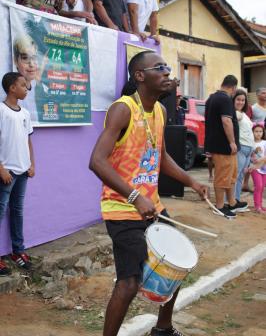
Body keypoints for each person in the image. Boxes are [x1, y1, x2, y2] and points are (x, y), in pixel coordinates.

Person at [89, 51, 208, 336]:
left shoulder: (160, 110)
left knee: (175, 264)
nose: (167, 72)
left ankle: (163, 329)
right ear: (140, 76)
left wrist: (192, 182)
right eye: (160, 68)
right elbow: (97, 161)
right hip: (121, 208)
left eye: (167, 67)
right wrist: (135, 197)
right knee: (129, 282)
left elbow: (161, 157)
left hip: (151, 206)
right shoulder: (123, 109)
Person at [0, 72, 35, 276]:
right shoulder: (1, 110)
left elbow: (28, 140)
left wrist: (31, 164)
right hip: (7, 171)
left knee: (17, 211)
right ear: (12, 88)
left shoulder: (25, 114)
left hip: (22, 171)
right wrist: (1, 168)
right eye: (23, 85)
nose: (26, 88)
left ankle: (17, 250)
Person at [205, 75, 248, 218]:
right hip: (223, 145)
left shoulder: (212, 97)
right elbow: (226, 121)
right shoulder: (224, 99)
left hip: (223, 145)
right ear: (234, 88)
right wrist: (231, 141)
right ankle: (219, 206)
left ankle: (232, 202)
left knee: (231, 175)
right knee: (222, 176)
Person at [233, 89, 254, 206]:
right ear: (233, 100)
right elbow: (234, 118)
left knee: (240, 176)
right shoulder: (235, 113)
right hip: (241, 148)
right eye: (238, 99)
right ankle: (229, 201)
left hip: (249, 150)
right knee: (235, 175)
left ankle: (236, 199)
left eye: (243, 100)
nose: (241, 102)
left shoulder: (244, 114)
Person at [13, 35, 39, 121]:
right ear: (15, 61)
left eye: (34, 58)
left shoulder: (36, 87)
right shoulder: (11, 92)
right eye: (25, 58)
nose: (31, 64)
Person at [248, 123, 266, 213]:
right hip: (254, 168)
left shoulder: (265, 143)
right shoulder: (250, 143)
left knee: (262, 187)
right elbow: (249, 156)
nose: (258, 133)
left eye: (260, 131)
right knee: (258, 186)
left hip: (264, 168)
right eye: (256, 131)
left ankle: (260, 205)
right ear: (252, 132)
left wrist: (261, 159)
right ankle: (257, 206)